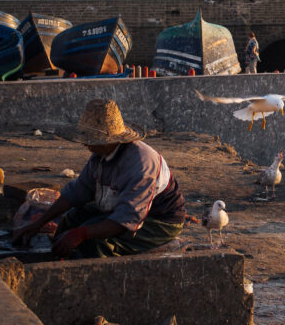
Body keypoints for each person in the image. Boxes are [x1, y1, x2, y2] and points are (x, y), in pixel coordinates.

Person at [11, 99, 185, 258]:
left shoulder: (140, 165)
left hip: (159, 219)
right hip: (122, 207)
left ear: (110, 139)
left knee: (95, 244)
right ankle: (60, 255)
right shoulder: (100, 155)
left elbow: (126, 220)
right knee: (72, 218)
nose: (86, 144)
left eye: (91, 139)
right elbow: (77, 191)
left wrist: (81, 234)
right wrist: (40, 222)